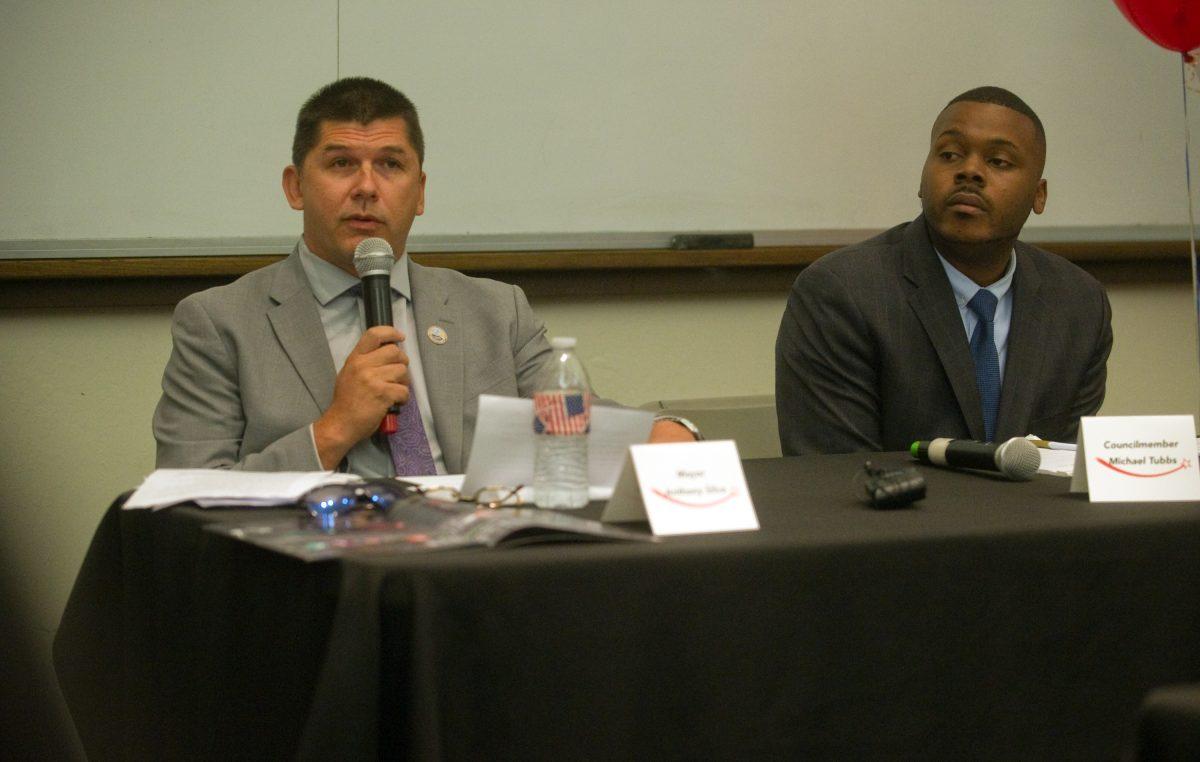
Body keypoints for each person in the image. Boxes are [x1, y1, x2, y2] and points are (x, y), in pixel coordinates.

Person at [154, 77, 696, 475]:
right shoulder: (218, 322)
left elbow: (576, 424)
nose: (367, 187)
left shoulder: (496, 310)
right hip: (317, 589)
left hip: (473, 578)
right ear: (295, 186)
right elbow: (186, 501)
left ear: (420, 191)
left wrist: (666, 432)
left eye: (390, 165)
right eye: (341, 163)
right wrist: (333, 430)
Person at [775, 86, 1112, 455]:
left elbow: (1059, 467)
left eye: (998, 161)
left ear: (1039, 195)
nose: (969, 171)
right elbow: (839, 479)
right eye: (950, 154)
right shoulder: (842, 293)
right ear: (922, 179)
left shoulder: (1078, 305)